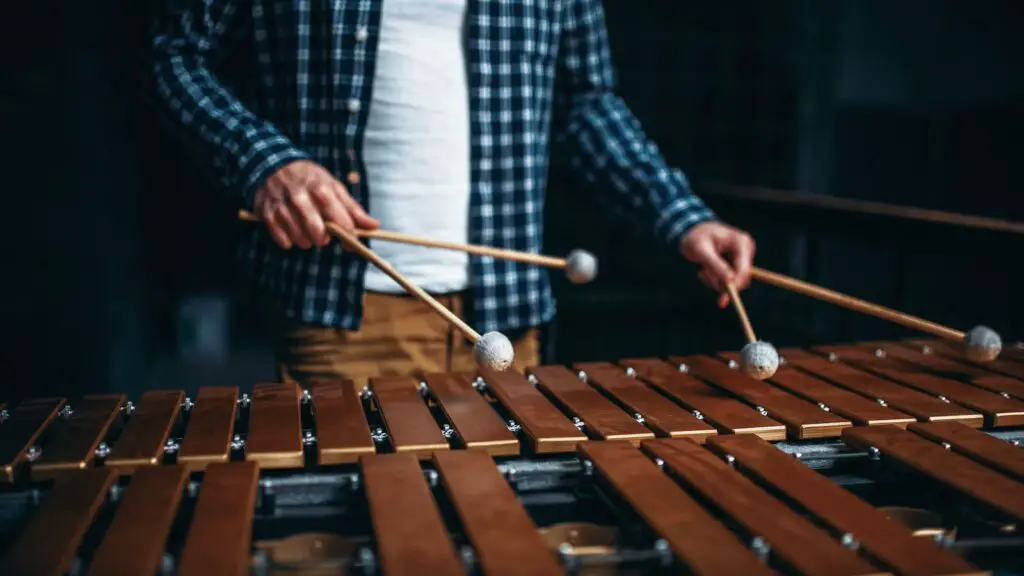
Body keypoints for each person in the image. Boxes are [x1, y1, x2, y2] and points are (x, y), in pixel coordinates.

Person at [151, 0, 756, 387]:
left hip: (508, 312)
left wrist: (680, 218)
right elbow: (174, 55)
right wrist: (266, 163)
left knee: (498, 528)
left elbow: (585, 101)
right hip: (347, 308)